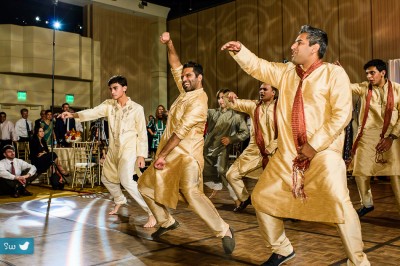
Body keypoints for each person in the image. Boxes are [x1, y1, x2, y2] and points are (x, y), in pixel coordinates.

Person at [221, 25, 370, 265]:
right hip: (288, 154)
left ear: (315, 47)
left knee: (339, 203)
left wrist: (314, 145)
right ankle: (282, 249)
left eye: (298, 42)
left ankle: (359, 262)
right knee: (261, 197)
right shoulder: (286, 73)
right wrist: (240, 51)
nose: (292, 46)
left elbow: (342, 115)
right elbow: (260, 66)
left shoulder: (334, 74)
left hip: (324, 153)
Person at [138, 32, 235, 255]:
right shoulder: (185, 93)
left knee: (191, 193)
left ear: (199, 78)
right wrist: (169, 43)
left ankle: (225, 230)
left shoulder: (200, 102)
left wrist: (160, 155)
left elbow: (180, 133)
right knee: (144, 186)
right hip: (171, 155)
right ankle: (166, 221)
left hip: (188, 156)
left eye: (189, 76)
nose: (184, 79)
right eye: (184, 77)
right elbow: (175, 64)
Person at [58, 75, 156, 228]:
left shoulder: (137, 108)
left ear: (124, 88)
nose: (112, 91)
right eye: (111, 89)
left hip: (129, 149)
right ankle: (119, 200)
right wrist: (73, 114)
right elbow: (93, 112)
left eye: (115, 88)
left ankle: (151, 212)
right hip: (114, 148)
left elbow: (142, 133)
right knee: (107, 178)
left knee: (126, 181)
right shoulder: (109, 105)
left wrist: (141, 155)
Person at [348, 59, 400, 217]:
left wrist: (391, 137)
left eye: (372, 73)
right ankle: (367, 203)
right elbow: (345, 86)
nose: (369, 76)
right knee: (360, 171)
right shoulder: (364, 88)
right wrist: (339, 74)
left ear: (383, 73)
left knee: (395, 174)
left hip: (392, 136)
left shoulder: (398, 90)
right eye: (367, 74)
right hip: (367, 136)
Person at [226, 83, 278, 212]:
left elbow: (286, 131)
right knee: (231, 174)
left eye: (265, 89)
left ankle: (287, 210)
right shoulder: (254, 106)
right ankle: (244, 199)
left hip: (277, 152)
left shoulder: (282, 108)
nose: (261, 91)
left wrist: (271, 147)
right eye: (260, 89)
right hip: (254, 151)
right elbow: (234, 103)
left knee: (282, 184)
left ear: (273, 93)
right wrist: (229, 96)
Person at [203, 88, 249, 206]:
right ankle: (217, 186)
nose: (221, 100)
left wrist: (231, 139)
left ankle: (237, 200)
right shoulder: (212, 112)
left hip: (222, 148)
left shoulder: (236, 116)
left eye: (223, 97)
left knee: (221, 170)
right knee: (203, 172)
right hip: (207, 148)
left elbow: (245, 133)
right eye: (219, 98)